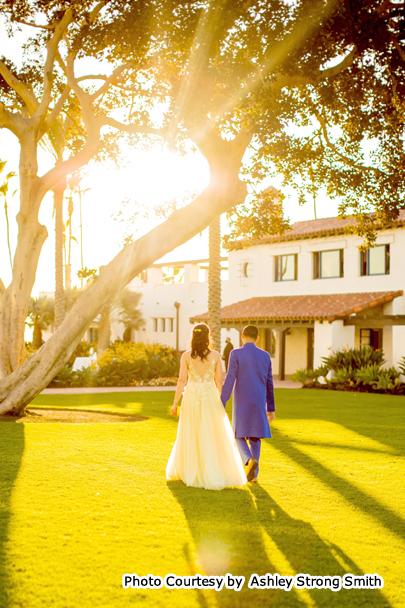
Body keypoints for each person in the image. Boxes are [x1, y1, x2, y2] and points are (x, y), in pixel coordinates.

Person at [166, 323, 247, 490]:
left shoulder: (187, 356)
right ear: (207, 337)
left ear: (194, 337)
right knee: (212, 432)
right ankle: (211, 470)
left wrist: (175, 402)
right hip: (209, 395)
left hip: (192, 396)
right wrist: (221, 402)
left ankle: (192, 470)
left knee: (191, 432)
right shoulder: (216, 355)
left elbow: (182, 380)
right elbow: (219, 381)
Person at [221, 325, 275, 483]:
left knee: (238, 435)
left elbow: (230, 379)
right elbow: (269, 383)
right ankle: (254, 476)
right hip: (259, 400)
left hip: (242, 401)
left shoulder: (235, 353)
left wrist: (222, 403)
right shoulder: (265, 356)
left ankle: (249, 460)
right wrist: (270, 408)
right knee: (255, 437)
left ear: (242, 336)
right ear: (257, 338)